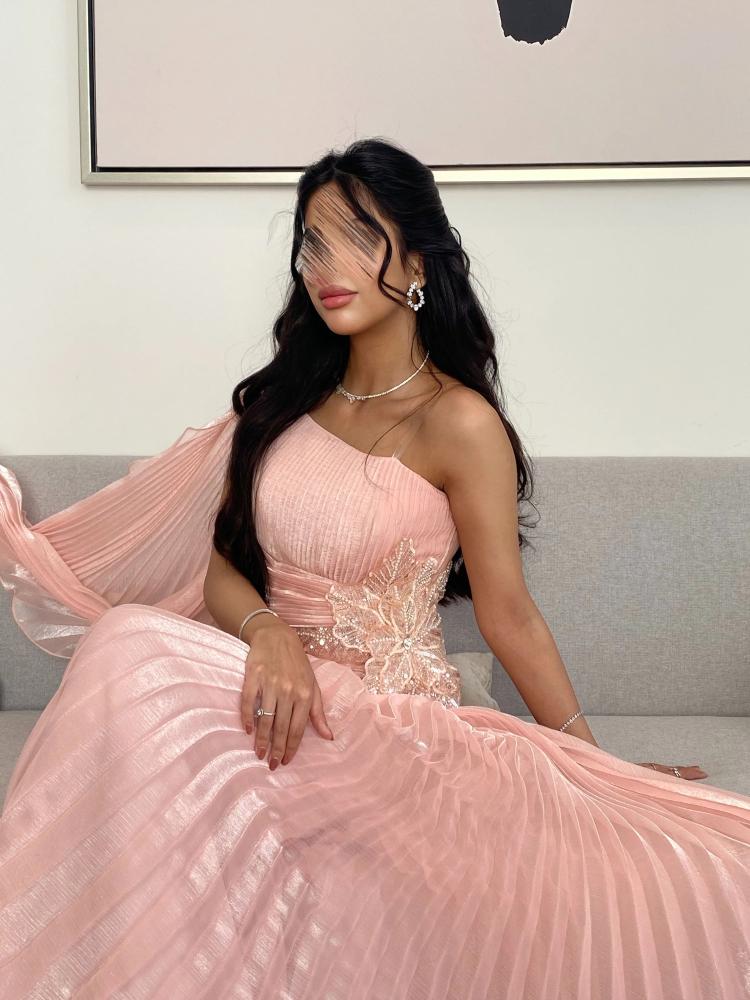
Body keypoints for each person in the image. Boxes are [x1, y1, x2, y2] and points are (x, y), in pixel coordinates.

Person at [0, 137, 748, 999]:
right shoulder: (282, 405)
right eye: (312, 243)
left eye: (358, 237)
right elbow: (224, 569)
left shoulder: (458, 423)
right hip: (270, 702)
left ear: (418, 260)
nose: (327, 265)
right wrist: (267, 633)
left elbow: (508, 614)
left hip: (390, 724)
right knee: (126, 647)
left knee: (131, 648)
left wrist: (596, 767)